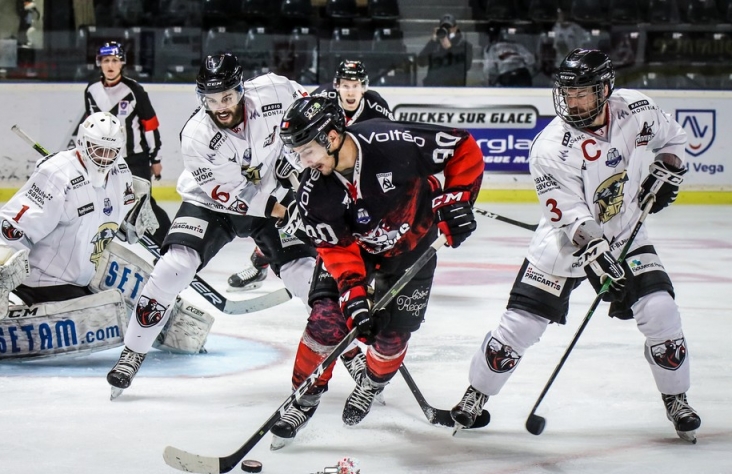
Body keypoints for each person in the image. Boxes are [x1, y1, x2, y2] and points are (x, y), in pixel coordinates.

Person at [449, 48, 701, 444]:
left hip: (624, 231)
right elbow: (571, 217)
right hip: (566, 242)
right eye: (567, 92)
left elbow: (674, 141)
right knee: (520, 326)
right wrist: (598, 260)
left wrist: (667, 169)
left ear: (604, 89)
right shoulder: (550, 146)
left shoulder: (638, 110)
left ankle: (677, 399)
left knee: (661, 311)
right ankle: (475, 395)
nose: (572, 101)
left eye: (582, 92)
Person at [268, 95, 485, 449]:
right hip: (357, 251)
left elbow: (462, 145)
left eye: (307, 150)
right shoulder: (313, 192)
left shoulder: (391, 141)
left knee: (391, 339)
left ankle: (372, 382)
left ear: (332, 137)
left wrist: (457, 199)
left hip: (413, 244)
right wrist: (354, 295)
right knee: (326, 321)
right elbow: (337, 248)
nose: (302, 161)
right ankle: (304, 398)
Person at [106, 53, 317, 394]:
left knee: (306, 274)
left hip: (271, 191)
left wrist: (293, 161)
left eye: (228, 97)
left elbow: (311, 115)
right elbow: (230, 195)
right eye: (212, 99)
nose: (220, 106)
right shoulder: (195, 136)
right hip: (213, 203)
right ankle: (132, 352)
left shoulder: (277, 91)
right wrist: (284, 209)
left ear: (241, 89)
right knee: (173, 268)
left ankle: (350, 354)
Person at [0, 112, 210, 365]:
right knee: (108, 317)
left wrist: (131, 214)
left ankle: (174, 319)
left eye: (111, 151)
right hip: (45, 278)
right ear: (83, 144)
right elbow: (14, 225)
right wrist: (0, 269)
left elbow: (113, 215)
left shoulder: (120, 170)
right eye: (98, 150)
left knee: (137, 287)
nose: (105, 158)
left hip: (85, 268)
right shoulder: (56, 175)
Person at [227, 59, 395, 292]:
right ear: (337, 85)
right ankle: (261, 260)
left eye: (355, 85)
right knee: (303, 221)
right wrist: (286, 160)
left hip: (353, 171)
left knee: (358, 223)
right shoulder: (321, 98)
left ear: (364, 87)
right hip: (320, 168)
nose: (350, 91)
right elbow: (294, 129)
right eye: (345, 85)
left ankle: (361, 275)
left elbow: (386, 145)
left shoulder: (377, 107)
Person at [85, 41, 171, 245]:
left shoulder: (134, 90)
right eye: (106, 60)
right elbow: (90, 127)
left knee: (144, 205)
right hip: (105, 161)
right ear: (100, 63)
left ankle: (169, 245)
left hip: (135, 159)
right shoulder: (91, 90)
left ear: (122, 63)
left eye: (114, 60)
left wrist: (155, 158)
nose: (110, 65)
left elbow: (150, 126)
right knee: (100, 202)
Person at [418, 14, 473, 87]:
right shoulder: (435, 44)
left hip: (454, 88)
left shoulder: (464, 45)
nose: (447, 30)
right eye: (444, 27)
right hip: (434, 87)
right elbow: (421, 62)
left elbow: (466, 66)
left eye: (449, 27)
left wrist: (450, 48)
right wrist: (432, 42)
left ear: (455, 28)